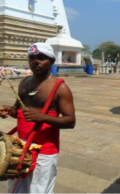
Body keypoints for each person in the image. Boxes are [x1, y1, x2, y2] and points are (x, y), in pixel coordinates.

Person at [0, 42, 76, 193]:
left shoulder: (60, 88)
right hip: (21, 147)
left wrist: (42, 117)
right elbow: (19, 111)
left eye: (42, 58)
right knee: (16, 190)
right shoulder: (24, 82)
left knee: (39, 191)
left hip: (45, 151)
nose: (36, 62)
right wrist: (10, 110)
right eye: (32, 58)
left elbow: (70, 121)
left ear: (52, 61)